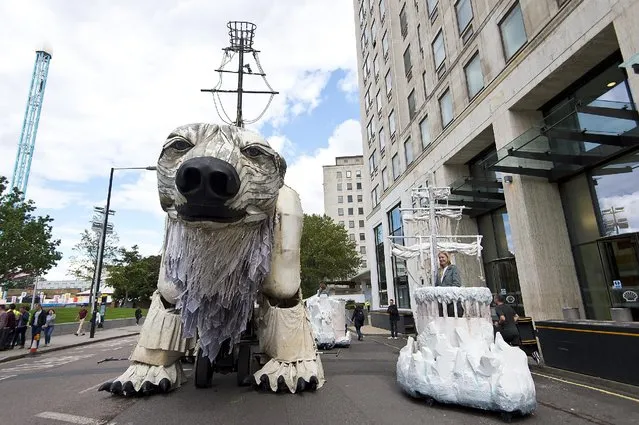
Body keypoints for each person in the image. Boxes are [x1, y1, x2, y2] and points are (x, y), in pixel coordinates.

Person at [434, 251, 464, 318]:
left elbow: (457, 283)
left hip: (452, 303)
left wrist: (448, 294)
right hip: (442, 303)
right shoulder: (439, 271)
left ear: (447, 258)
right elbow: (437, 286)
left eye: (442, 257)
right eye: (439, 258)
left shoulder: (453, 268)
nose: (441, 259)